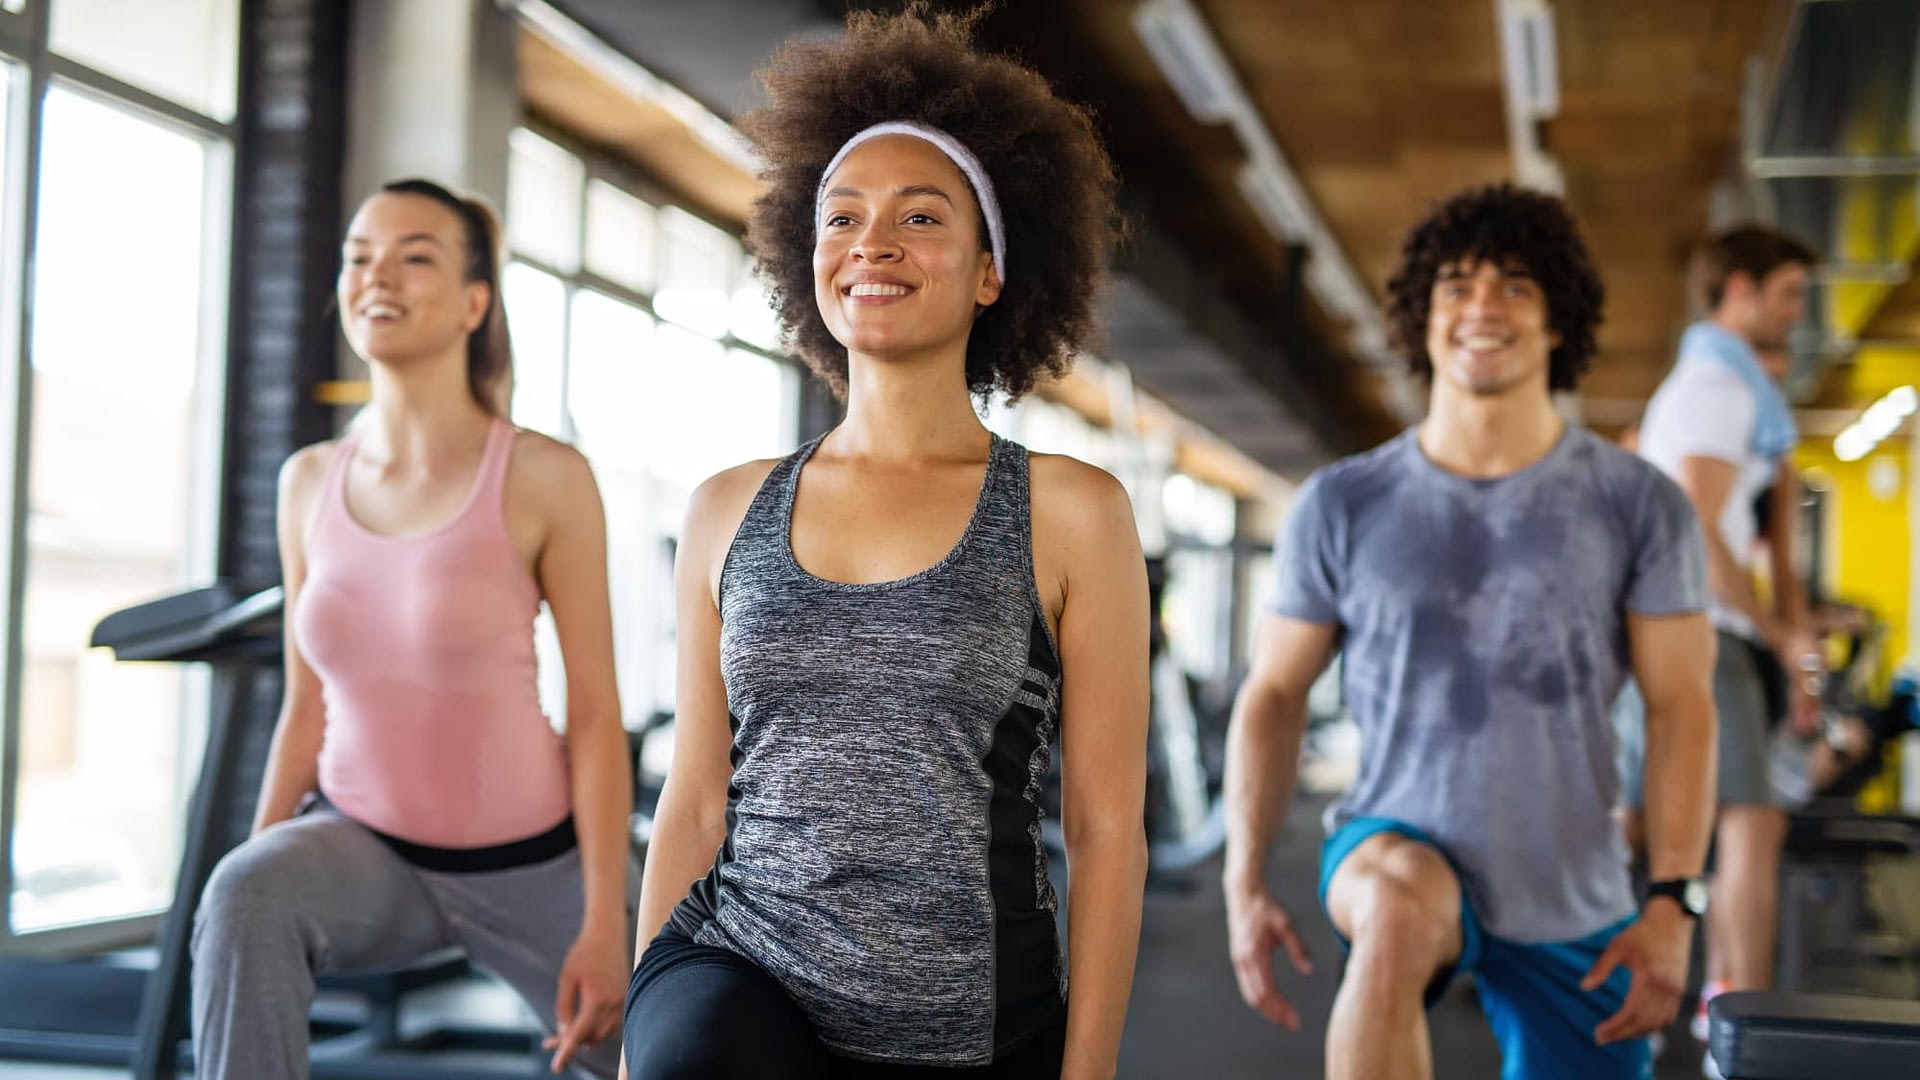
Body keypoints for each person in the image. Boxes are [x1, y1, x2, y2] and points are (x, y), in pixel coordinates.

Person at [618, 8, 1148, 1080]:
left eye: (921, 218)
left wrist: (1085, 1071)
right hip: (737, 974)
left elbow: (1104, 831)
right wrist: (642, 1043)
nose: (873, 244)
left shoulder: (1070, 512)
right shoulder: (729, 507)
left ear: (993, 272)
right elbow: (696, 798)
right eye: (842, 217)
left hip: (969, 1027)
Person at [1223, 184, 1719, 1080]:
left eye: (1515, 286)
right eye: (1455, 286)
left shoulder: (1639, 504)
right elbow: (1275, 691)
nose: (1482, 306)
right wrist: (1244, 876)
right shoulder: (1344, 502)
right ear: (1422, 319)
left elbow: (1683, 706)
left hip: (1574, 888)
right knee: (1396, 914)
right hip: (1394, 844)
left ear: (1557, 321)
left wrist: (1674, 902)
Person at [190, 179, 635, 1079]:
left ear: (476, 301)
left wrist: (602, 923)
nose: (375, 275)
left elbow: (594, 714)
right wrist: (242, 874)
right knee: (242, 894)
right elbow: (306, 708)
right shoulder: (308, 480)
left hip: (536, 862)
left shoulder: (547, 476)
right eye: (359, 256)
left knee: (687, 1051)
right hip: (367, 847)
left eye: (414, 255)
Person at [1634, 224, 1819, 1058]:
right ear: (1738, 290)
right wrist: (1780, 637)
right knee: (1749, 829)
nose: (1797, 313)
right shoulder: (1716, 385)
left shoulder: (1731, 388)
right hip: (1713, 635)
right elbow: (1702, 532)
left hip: (1712, 634)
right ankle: (1736, 1021)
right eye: (1788, 294)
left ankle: (1726, 1011)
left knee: (1723, 827)